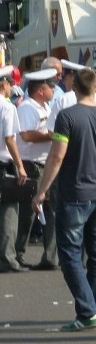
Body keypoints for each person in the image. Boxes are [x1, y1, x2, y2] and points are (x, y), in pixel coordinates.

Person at [31, 68, 96, 331]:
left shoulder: (67, 117)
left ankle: (87, 310)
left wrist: (42, 190)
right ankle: (91, 310)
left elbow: (57, 156)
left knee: (69, 253)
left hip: (75, 195)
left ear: (73, 87)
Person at [13, 68, 58, 270]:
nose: (54, 89)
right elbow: (26, 136)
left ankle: (50, 257)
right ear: (41, 90)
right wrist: (51, 136)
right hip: (32, 166)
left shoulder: (46, 107)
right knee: (28, 214)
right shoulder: (27, 108)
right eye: (52, 86)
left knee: (51, 211)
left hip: (46, 165)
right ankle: (16, 253)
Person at [0, 66, 29, 273]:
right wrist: (20, 165)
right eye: (11, 84)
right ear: (4, 84)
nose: (11, 89)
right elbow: (10, 139)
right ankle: (8, 258)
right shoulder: (7, 108)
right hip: (3, 165)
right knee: (10, 212)